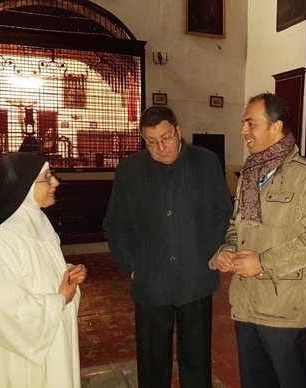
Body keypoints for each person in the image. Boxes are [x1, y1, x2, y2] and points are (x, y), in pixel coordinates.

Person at [210, 93, 306, 388]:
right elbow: (236, 225)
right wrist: (228, 250)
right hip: (246, 304)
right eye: (244, 123)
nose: (243, 131)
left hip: (285, 310)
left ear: (277, 127)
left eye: (250, 124)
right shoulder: (249, 175)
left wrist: (263, 263)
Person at [103, 105, 232, 388]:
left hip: (195, 279)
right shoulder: (130, 169)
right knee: (152, 363)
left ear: (179, 131)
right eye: (152, 142)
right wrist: (132, 266)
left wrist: (208, 254)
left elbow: (223, 212)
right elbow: (115, 223)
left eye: (167, 138)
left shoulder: (206, 162)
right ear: (143, 140)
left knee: (197, 362)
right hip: (150, 282)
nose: (161, 148)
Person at [0, 153, 88, 388]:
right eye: (47, 178)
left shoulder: (39, 221)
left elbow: (37, 271)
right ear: (23, 187)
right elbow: (0, 310)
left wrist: (67, 273)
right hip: (17, 351)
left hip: (49, 335)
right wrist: (57, 300)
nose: (55, 182)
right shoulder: (2, 238)